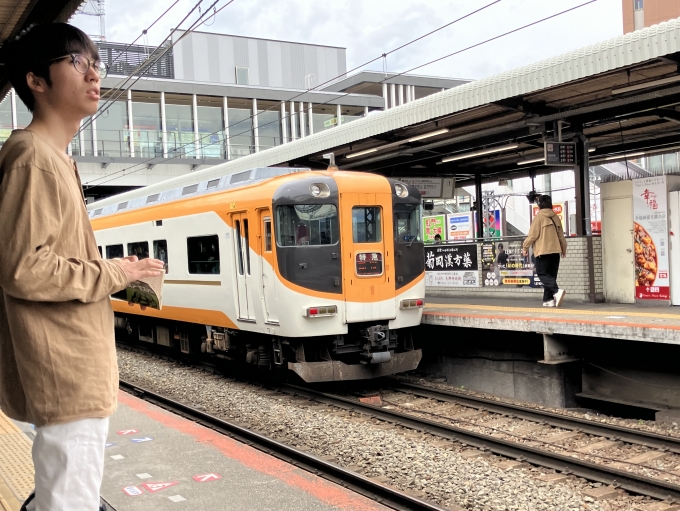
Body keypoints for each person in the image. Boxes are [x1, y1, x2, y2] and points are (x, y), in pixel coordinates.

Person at [0, 24, 165, 511]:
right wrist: (115, 274)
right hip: (65, 366)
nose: (95, 73)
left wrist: (118, 271)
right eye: (77, 62)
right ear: (36, 80)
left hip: (73, 364)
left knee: (66, 494)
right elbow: (25, 268)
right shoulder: (33, 158)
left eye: (97, 63)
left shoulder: (54, 158)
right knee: (68, 501)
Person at [522, 194, 567, 307]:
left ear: (539, 205)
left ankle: (556, 291)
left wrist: (525, 247)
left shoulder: (538, 218)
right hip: (555, 252)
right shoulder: (555, 217)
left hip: (543, 251)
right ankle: (548, 300)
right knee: (551, 276)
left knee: (542, 273)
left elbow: (532, 235)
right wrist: (563, 248)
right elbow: (561, 236)